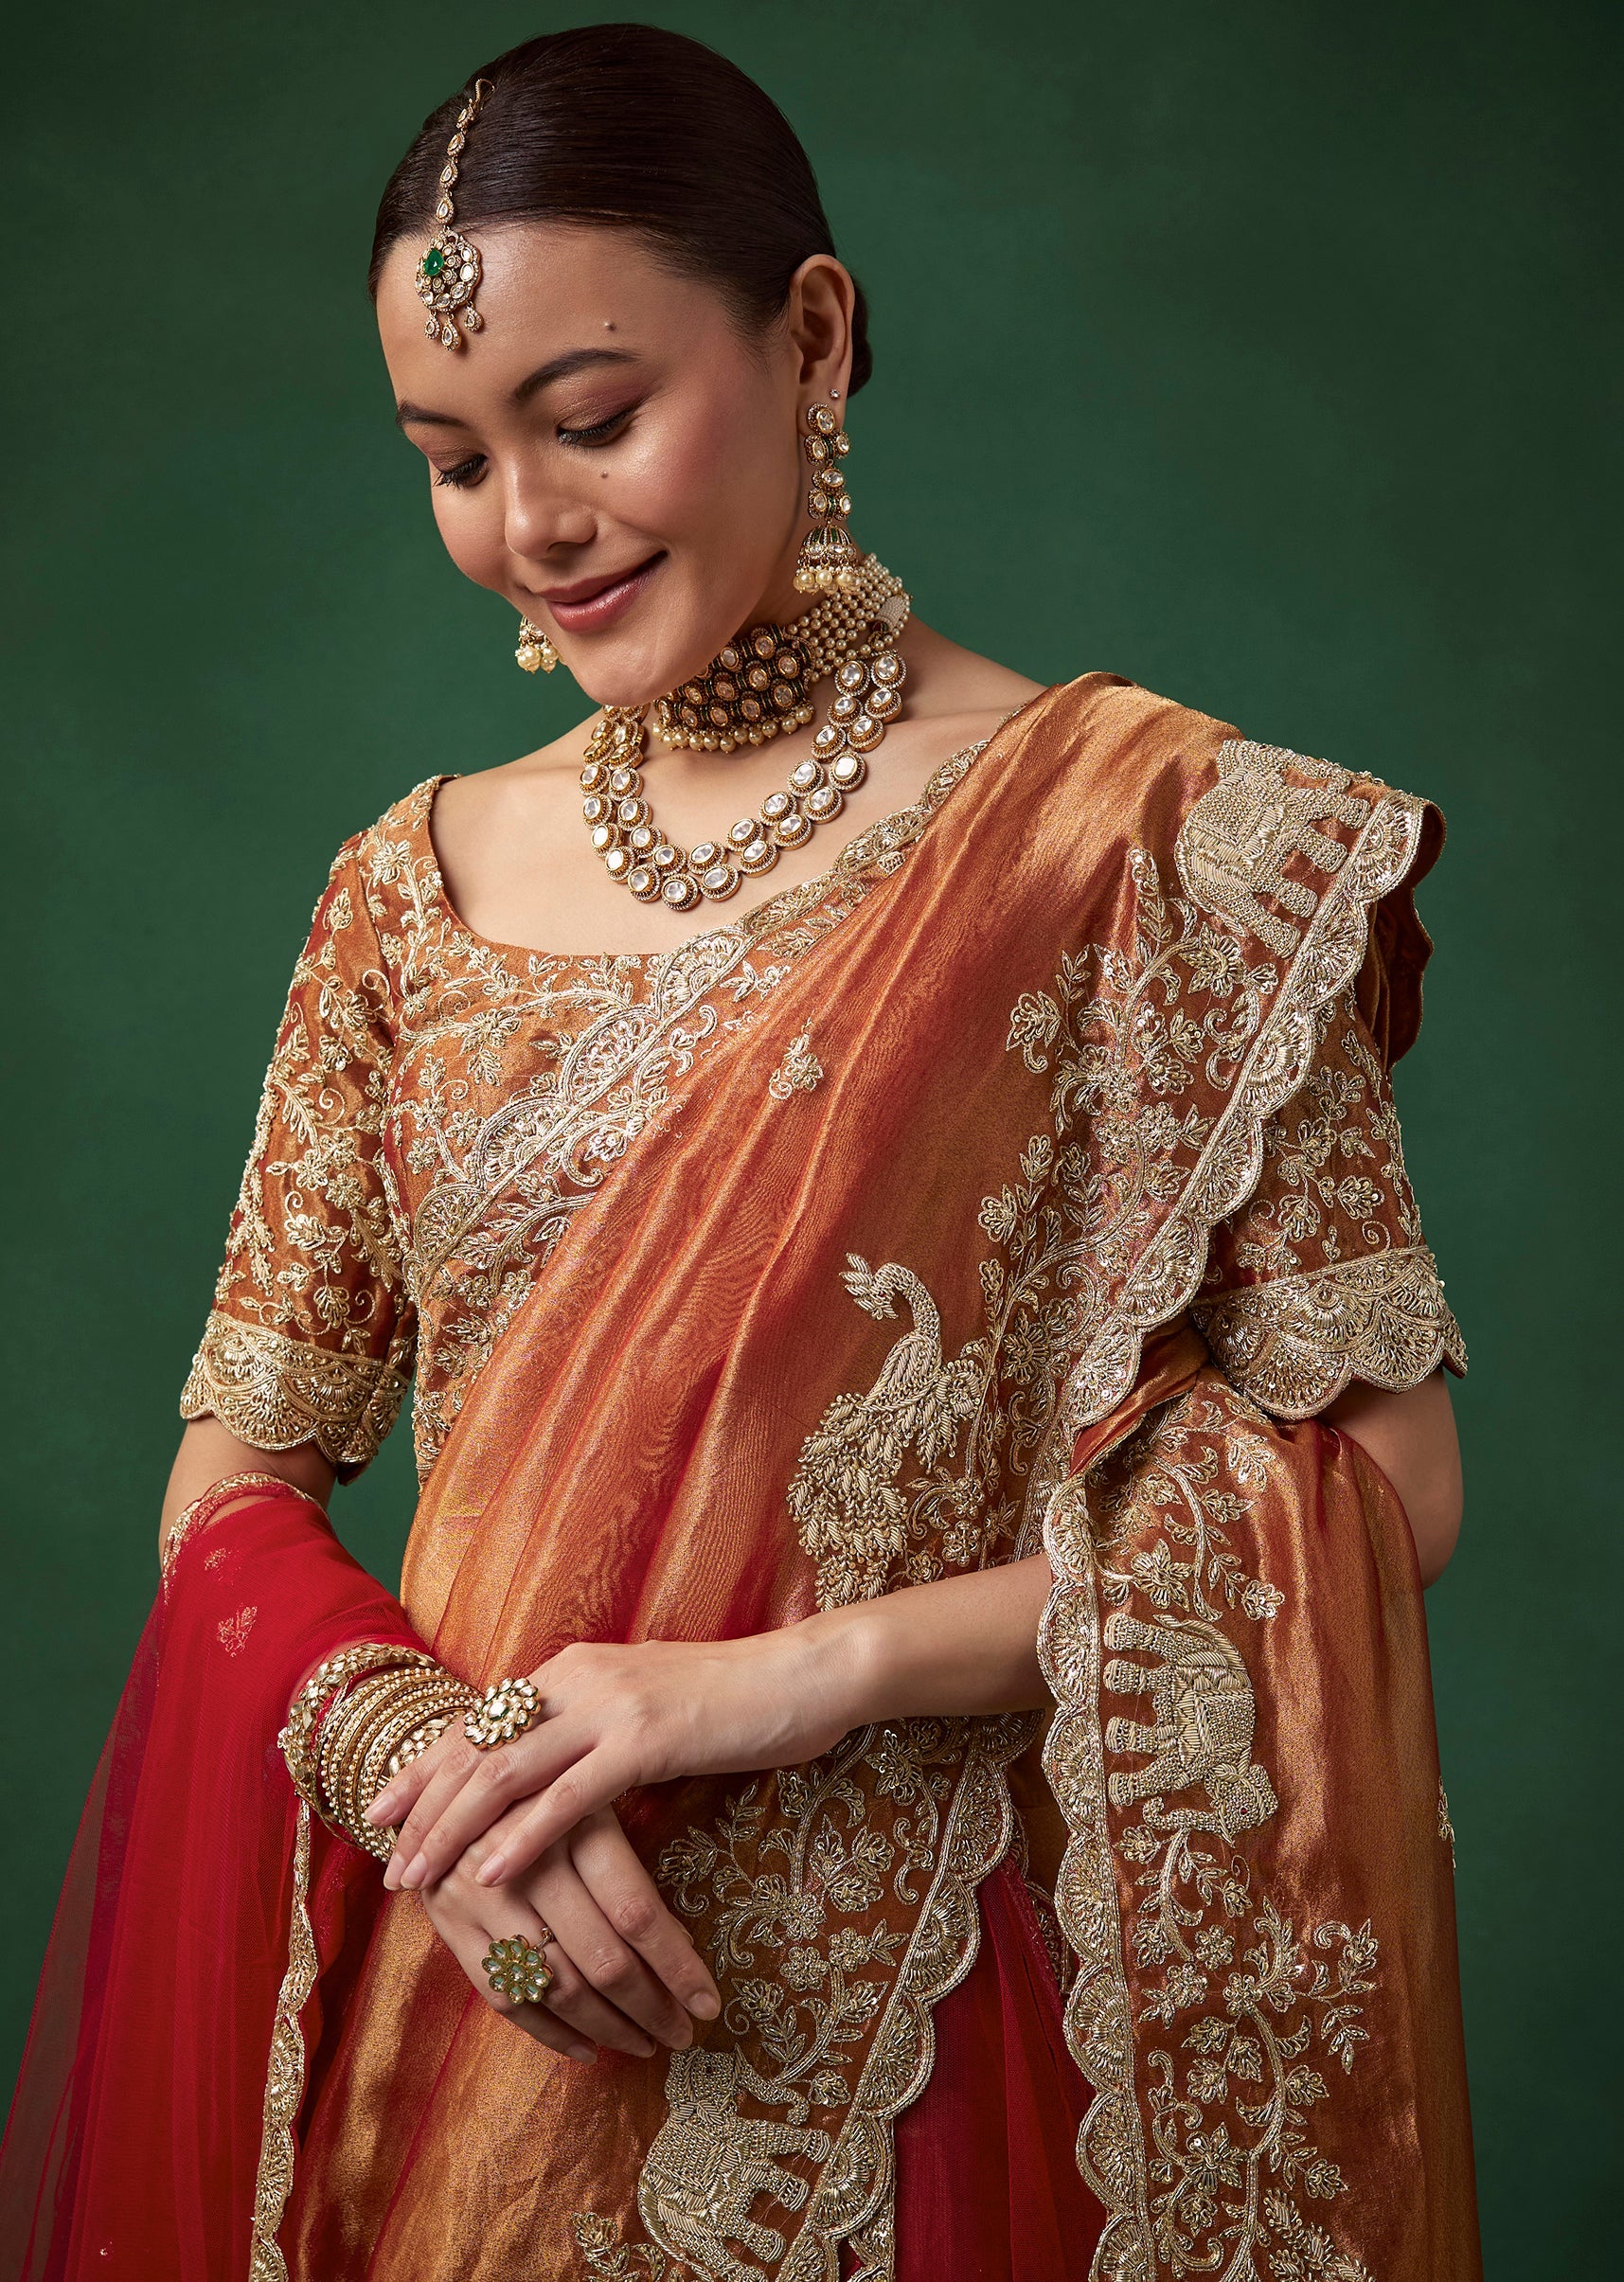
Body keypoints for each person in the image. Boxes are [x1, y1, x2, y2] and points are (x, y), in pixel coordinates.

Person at [0, 23, 1480, 2281]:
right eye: (454, 458)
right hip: (474, 2012)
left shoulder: (1148, 840)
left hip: (931, 2042)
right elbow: (235, 1485)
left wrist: (780, 1677)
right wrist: (432, 1781)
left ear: (811, 335)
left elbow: (1381, 1481)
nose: (531, 521)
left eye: (592, 417)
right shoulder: (404, 895)